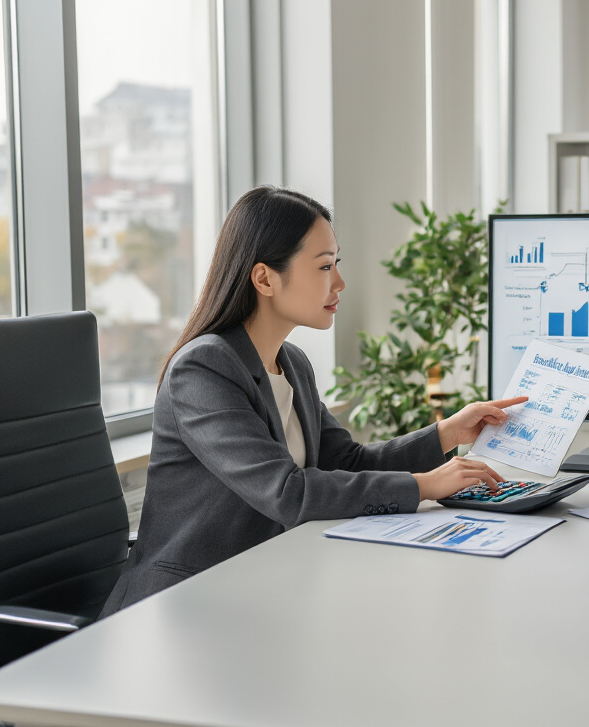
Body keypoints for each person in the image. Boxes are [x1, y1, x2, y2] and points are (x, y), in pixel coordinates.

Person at [101, 186, 525, 618]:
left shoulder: (293, 364)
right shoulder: (203, 369)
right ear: (264, 278)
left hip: (263, 586)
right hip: (185, 604)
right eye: (324, 267)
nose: (339, 283)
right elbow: (287, 492)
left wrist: (445, 433)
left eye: (336, 264)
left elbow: (345, 460)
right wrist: (426, 484)